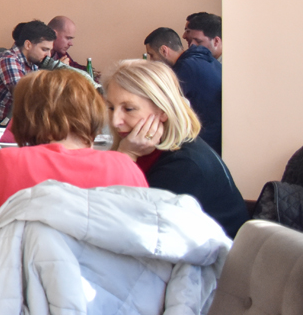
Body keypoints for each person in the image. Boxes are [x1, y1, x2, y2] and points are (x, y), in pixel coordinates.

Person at [0, 68, 147, 270]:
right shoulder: (126, 167)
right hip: (103, 292)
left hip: (23, 292)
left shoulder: (8, 164)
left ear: (25, 116)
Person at [105, 59, 247, 238]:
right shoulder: (150, 149)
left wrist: (125, 157)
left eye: (129, 109)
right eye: (111, 107)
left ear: (163, 111)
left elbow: (124, 225)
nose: (115, 121)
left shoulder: (184, 165)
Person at [0, 20, 56, 127]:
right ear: (28, 45)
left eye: (50, 50)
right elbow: (25, 96)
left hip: (7, 123)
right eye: (44, 49)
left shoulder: (32, 63)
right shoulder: (8, 60)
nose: (49, 55)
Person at [173, 18, 223, 155]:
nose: (192, 47)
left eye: (199, 42)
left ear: (216, 41)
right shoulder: (213, 64)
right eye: (190, 42)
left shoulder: (191, 65)